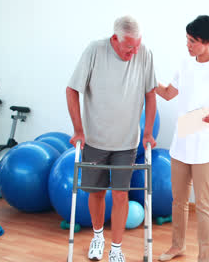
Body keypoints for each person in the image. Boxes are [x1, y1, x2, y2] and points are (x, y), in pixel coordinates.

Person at [66, 15, 157, 262]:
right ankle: (98, 238)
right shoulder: (94, 51)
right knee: (95, 193)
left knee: (120, 195)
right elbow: (72, 89)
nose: (134, 52)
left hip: (127, 142)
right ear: (115, 39)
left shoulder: (144, 53)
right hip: (95, 140)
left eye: (137, 46)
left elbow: (150, 94)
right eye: (129, 47)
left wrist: (147, 132)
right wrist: (78, 130)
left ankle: (116, 250)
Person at [155, 15, 209, 262]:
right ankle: (177, 246)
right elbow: (168, 94)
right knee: (178, 201)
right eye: (187, 40)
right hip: (184, 137)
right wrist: (146, 77)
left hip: (207, 142)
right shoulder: (185, 64)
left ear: (206, 42)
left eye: (192, 41)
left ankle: (204, 257)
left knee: (204, 205)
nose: (187, 45)